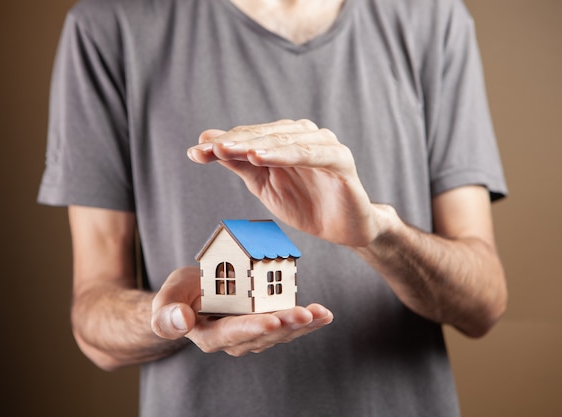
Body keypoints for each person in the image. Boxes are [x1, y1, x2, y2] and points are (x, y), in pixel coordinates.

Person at [37, 0, 508, 416]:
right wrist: (169, 317)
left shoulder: (433, 17)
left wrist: (380, 235)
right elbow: (94, 320)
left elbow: (483, 303)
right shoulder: (108, 24)